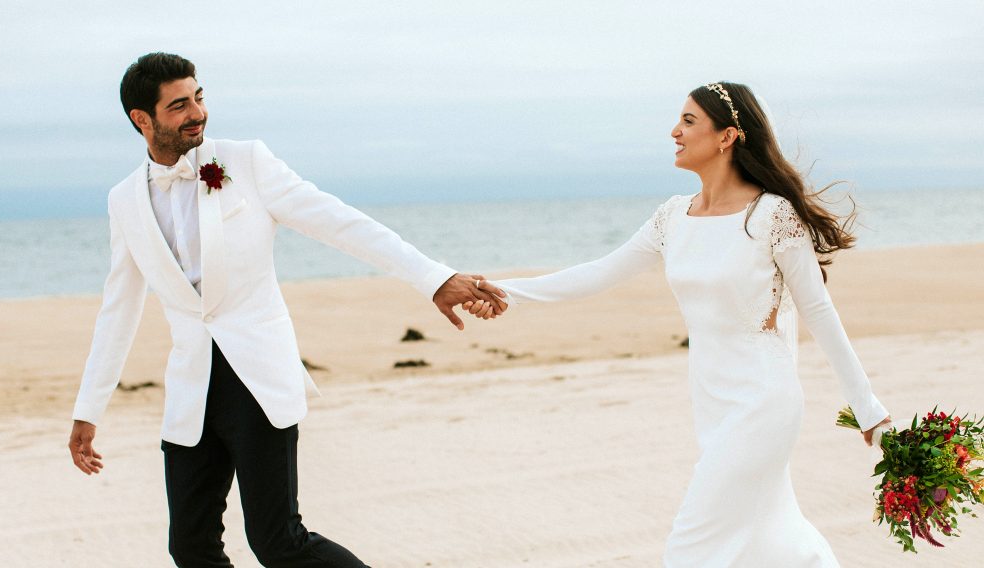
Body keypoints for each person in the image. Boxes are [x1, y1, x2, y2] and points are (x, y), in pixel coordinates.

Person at [67, 52, 507, 568]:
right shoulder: (124, 200)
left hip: (257, 378)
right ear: (142, 119)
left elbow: (338, 221)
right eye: (179, 105)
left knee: (278, 543)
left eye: (199, 97)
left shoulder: (245, 162)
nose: (198, 113)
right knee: (189, 546)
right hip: (192, 389)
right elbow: (118, 307)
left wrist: (433, 277)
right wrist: (87, 409)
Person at [463, 82, 892, 566]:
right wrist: (505, 293)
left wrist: (868, 408)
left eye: (689, 121)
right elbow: (597, 273)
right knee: (766, 535)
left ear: (727, 136)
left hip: (762, 401)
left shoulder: (772, 215)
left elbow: (819, 312)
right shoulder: (673, 216)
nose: (675, 131)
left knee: (692, 544)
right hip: (711, 400)